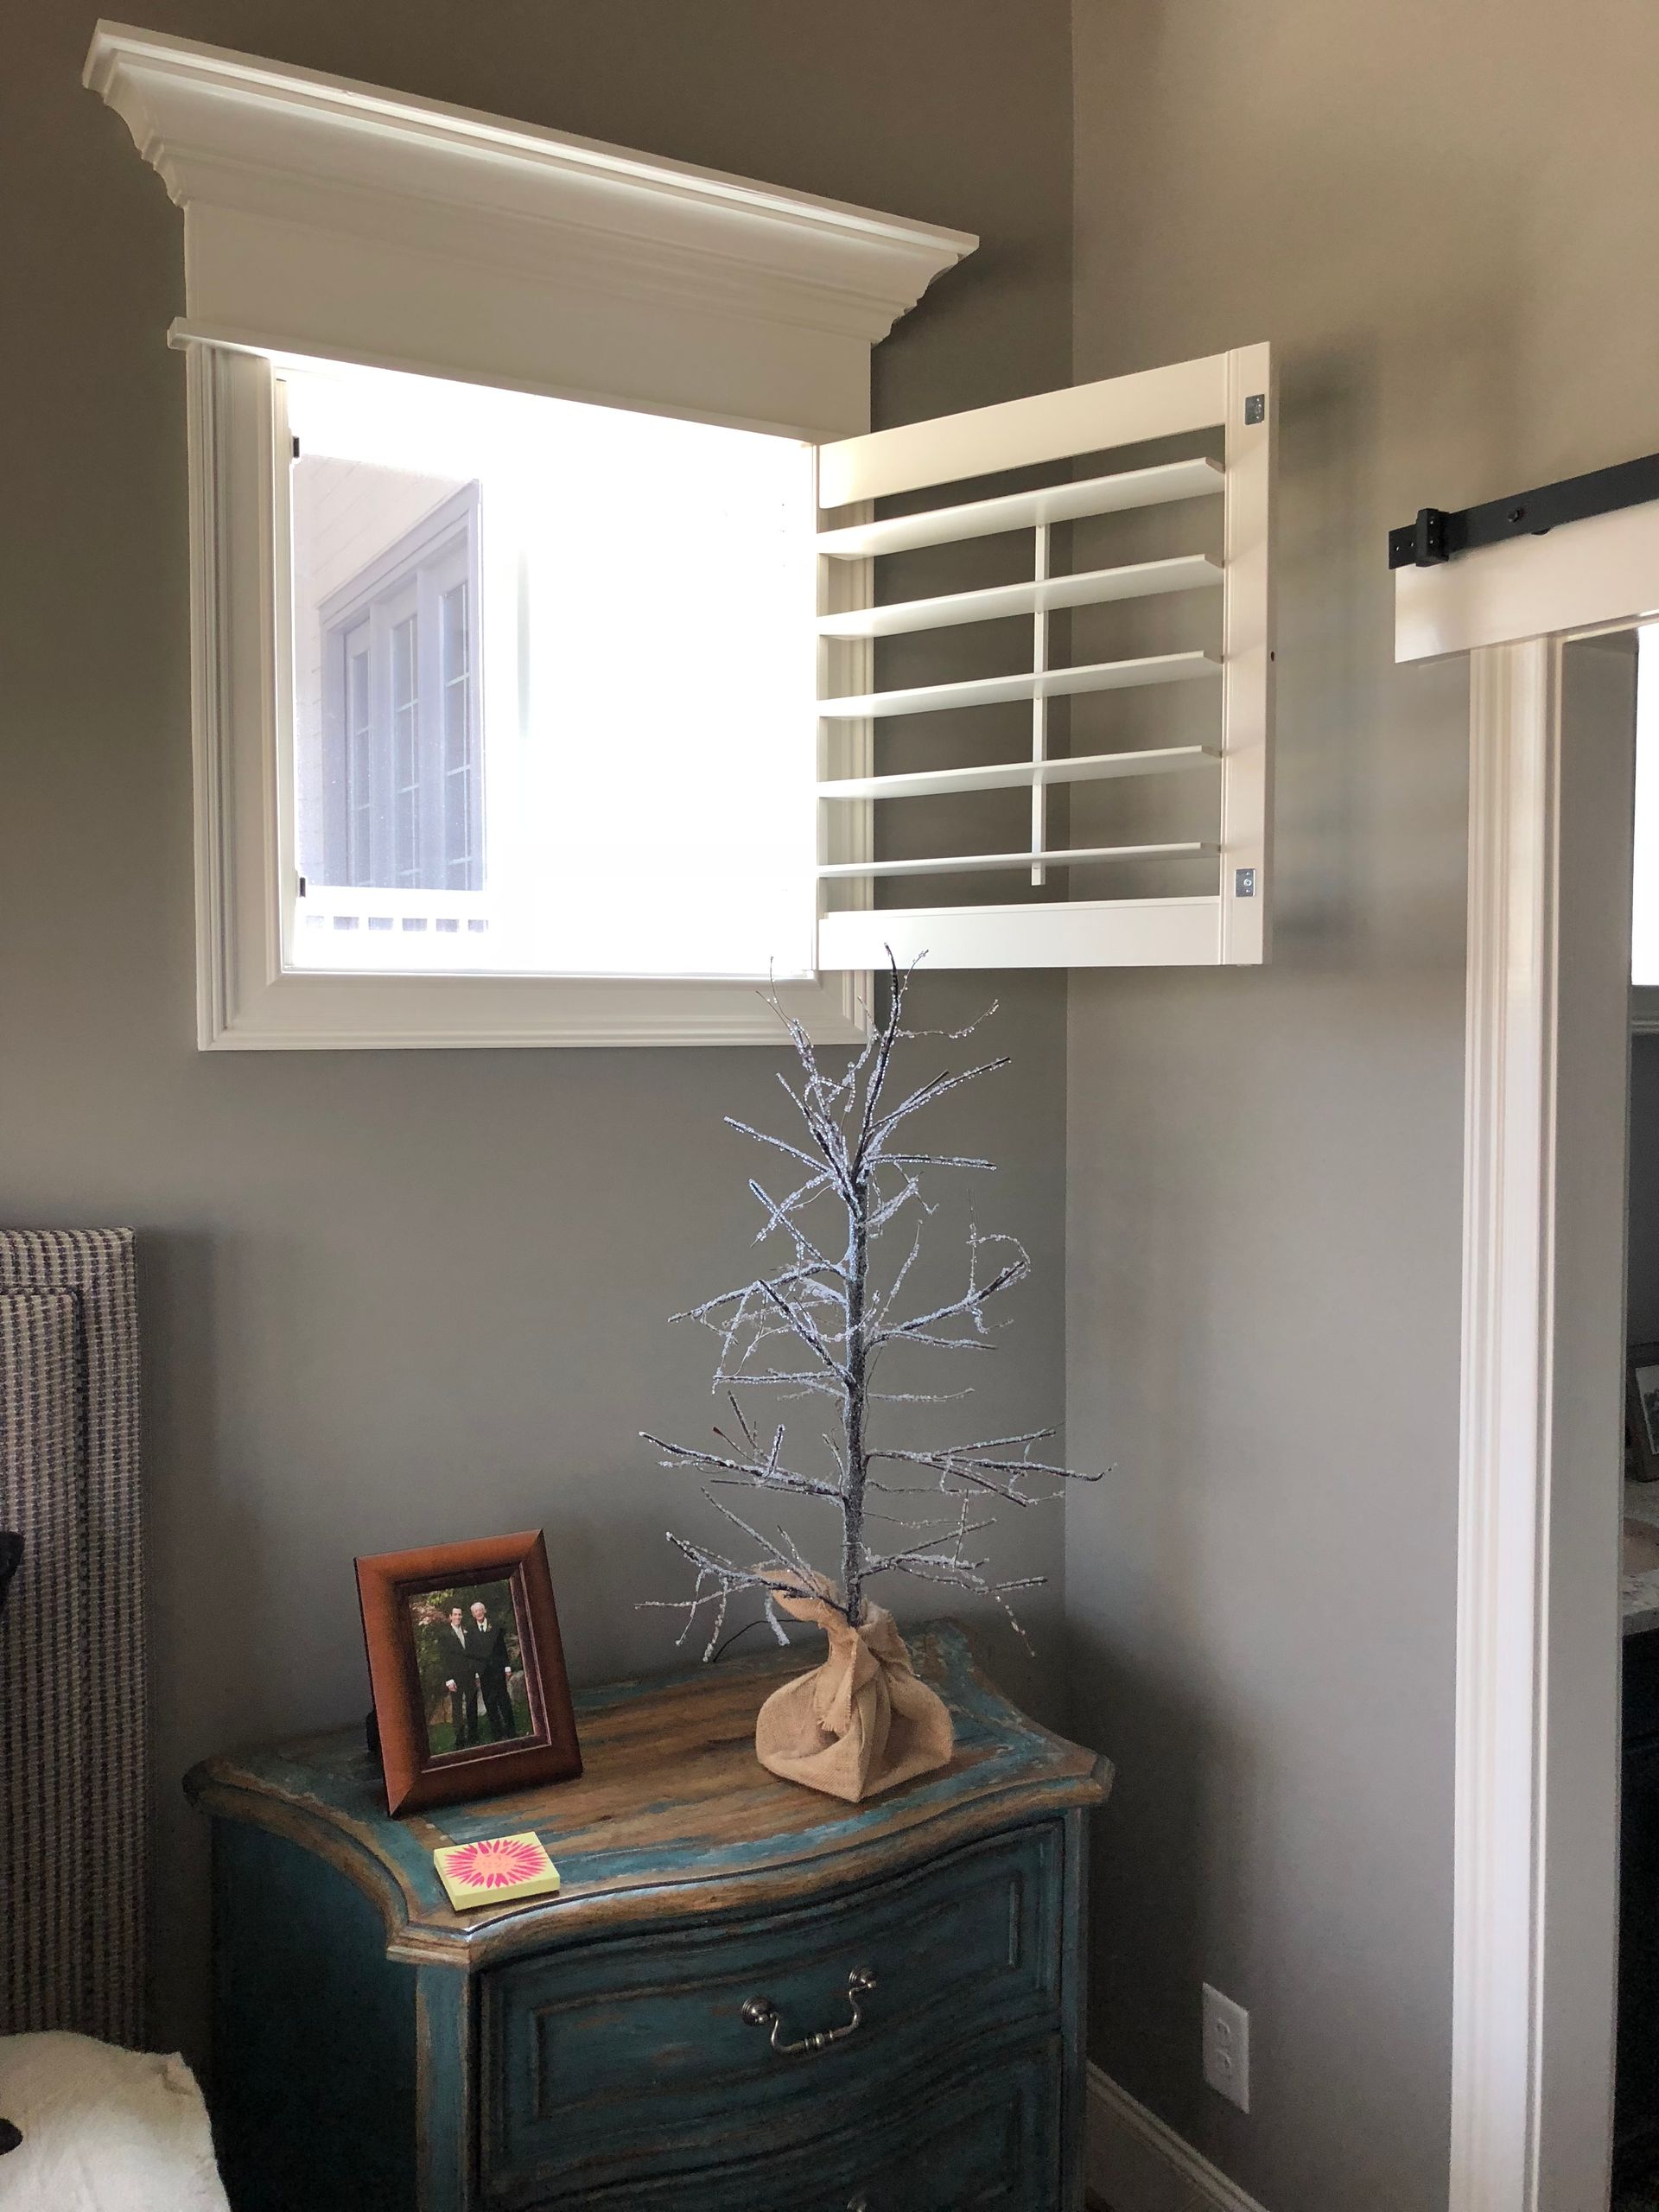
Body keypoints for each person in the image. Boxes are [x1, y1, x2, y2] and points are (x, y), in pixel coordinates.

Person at [465, 1599, 516, 1741]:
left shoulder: (495, 1627)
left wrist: (507, 1666)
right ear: (473, 1615)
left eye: (480, 1610)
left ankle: (511, 1731)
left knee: (503, 1699)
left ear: (484, 1611)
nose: (479, 1613)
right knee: (490, 1702)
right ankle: (497, 1734)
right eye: (476, 1611)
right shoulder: (471, 1632)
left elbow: (502, 1648)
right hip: (483, 1673)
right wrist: (475, 1672)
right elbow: (471, 1654)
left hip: (498, 1670)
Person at [438, 1604, 475, 1746]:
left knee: (471, 1704)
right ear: (450, 1617)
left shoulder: (467, 1632)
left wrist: (476, 1673)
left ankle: (473, 1735)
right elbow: (444, 1658)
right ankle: (460, 1739)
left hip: (470, 1674)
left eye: (460, 1614)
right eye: (455, 1615)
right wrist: (449, 1679)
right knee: (457, 1707)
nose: (458, 1617)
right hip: (455, 1677)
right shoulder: (445, 1635)